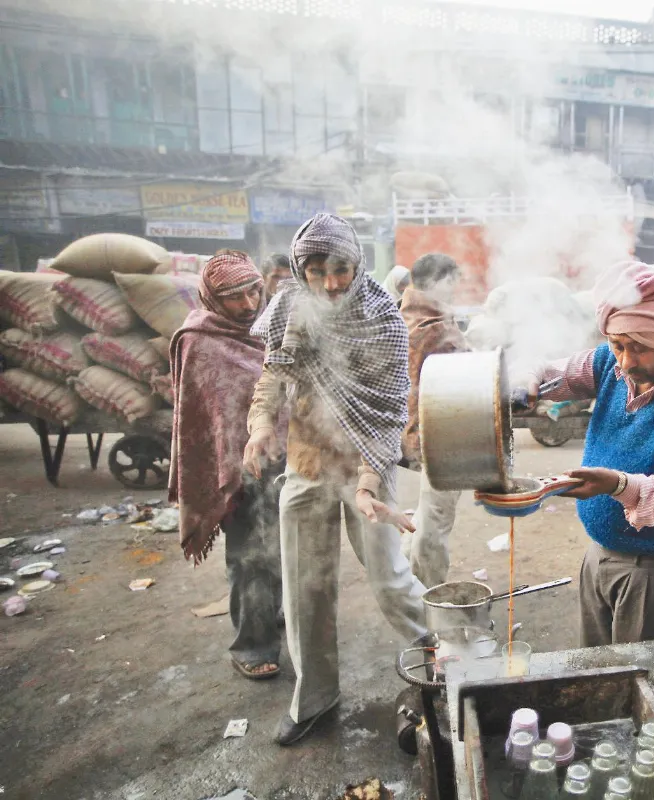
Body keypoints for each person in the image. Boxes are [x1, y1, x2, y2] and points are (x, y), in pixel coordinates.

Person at [243, 213, 426, 746]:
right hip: (306, 463)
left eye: (340, 268)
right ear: (300, 269)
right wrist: (258, 430)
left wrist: (369, 484)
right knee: (305, 589)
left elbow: (390, 412)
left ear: (357, 263)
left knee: (390, 579)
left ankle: (448, 656)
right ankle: (315, 700)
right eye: (316, 270)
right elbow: (272, 379)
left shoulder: (383, 318)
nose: (329, 283)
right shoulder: (289, 308)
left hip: (367, 463)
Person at [526, 261, 654, 647]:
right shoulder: (609, 364)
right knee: (593, 669)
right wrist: (527, 382)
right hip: (598, 553)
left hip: (652, 571)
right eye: (618, 345)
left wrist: (617, 485)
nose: (625, 361)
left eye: (639, 349)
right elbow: (552, 374)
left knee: (638, 677)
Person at [169, 250, 286, 681]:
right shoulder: (197, 340)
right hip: (238, 468)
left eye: (254, 290)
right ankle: (252, 647)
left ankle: (272, 617)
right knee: (252, 555)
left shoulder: (270, 327)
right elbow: (204, 416)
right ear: (214, 299)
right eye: (236, 297)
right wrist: (230, 466)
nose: (249, 303)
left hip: (285, 458)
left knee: (283, 550)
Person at [400, 253, 467, 586]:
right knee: (434, 521)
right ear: (442, 281)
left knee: (428, 513)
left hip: (422, 433)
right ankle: (430, 595)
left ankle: (410, 582)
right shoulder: (433, 327)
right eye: (453, 280)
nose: (456, 288)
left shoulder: (410, 316)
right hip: (440, 435)